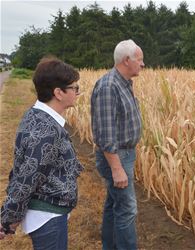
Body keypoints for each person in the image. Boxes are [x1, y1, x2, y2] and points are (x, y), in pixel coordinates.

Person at [0, 57, 83, 249]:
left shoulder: (38, 116)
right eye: (74, 88)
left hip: (49, 214)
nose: (77, 92)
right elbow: (26, 178)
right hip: (48, 218)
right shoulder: (46, 130)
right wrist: (8, 218)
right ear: (58, 93)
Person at [91, 39, 145, 250]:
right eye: (139, 59)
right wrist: (116, 168)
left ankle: (110, 246)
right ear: (126, 60)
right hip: (117, 157)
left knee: (114, 205)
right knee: (127, 208)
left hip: (124, 154)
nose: (143, 64)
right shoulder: (109, 86)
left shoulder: (123, 83)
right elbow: (105, 133)